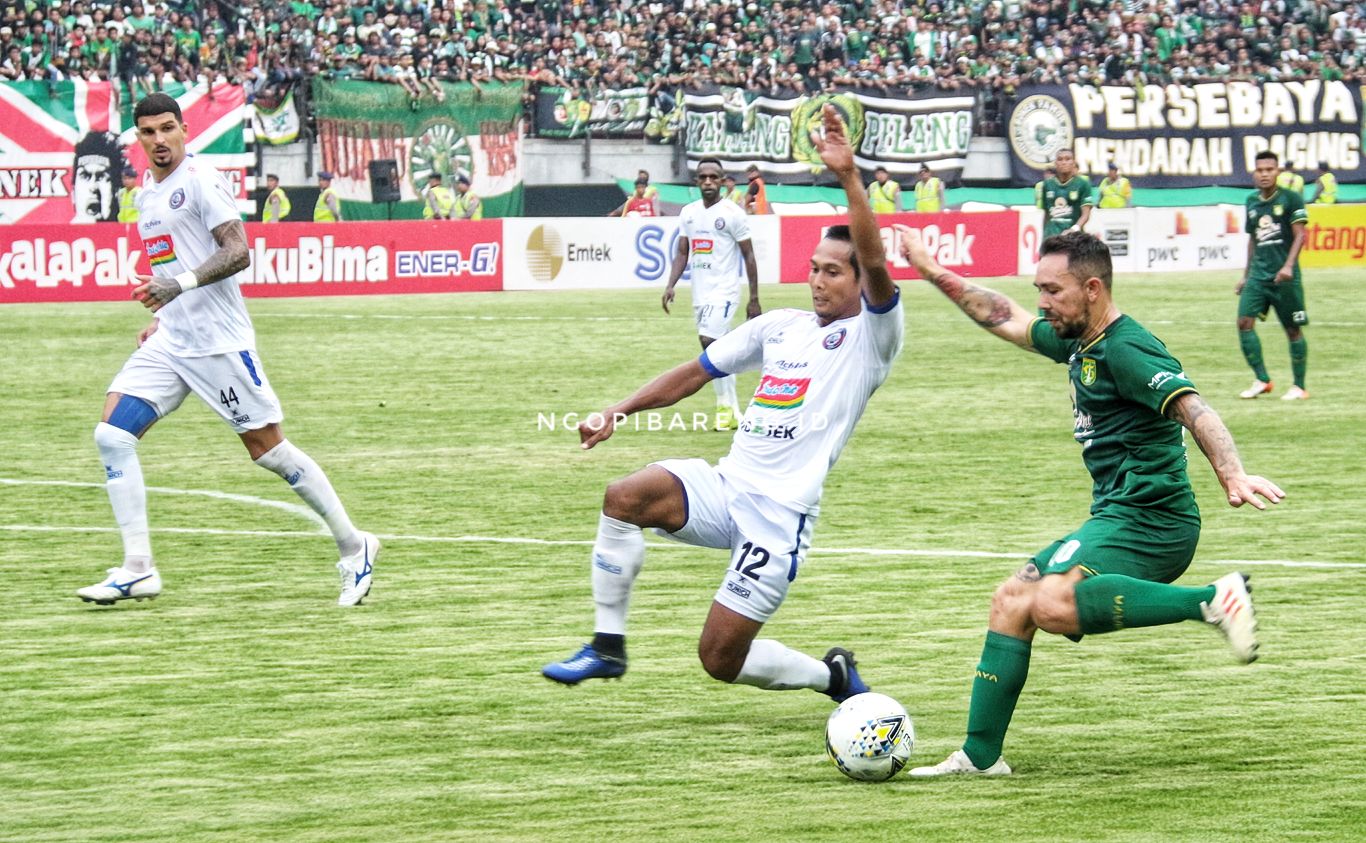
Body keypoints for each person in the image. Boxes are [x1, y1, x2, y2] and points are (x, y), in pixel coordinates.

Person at [542, 106, 904, 708]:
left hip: (778, 518)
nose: (818, 281)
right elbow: (695, 371)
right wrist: (618, 411)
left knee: (720, 659)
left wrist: (849, 179)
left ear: (859, 281)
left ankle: (833, 677)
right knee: (623, 495)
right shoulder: (782, 327)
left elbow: (875, 261)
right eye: (813, 269)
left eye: (833, 272)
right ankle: (607, 646)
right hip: (725, 488)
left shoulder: (873, 339)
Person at [897, 226, 1282, 777]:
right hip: (1118, 516)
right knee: (1012, 600)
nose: (1042, 302)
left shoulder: (1127, 348)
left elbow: (1194, 408)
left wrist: (1232, 471)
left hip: (1155, 521)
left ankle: (1214, 600)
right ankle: (980, 758)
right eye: (1040, 289)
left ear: (1093, 288)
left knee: (1052, 604)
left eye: (1053, 291)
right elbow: (1003, 315)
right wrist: (932, 270)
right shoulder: (1080, 338)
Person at [78, 93, 378, 608]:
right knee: (112, 436)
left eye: (167, 129)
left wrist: (180, 287)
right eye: (148, 132)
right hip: (173, 341)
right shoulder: (149, 191)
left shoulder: (200, 180)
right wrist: (161, 314)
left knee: (270, 452)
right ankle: (138, 568)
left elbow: (238, 251)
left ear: (184, 130)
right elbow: (170, 262)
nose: (159, 140)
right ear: (138, 139)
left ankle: (355, 547)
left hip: (218, 343)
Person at [662, 159, 762, 432]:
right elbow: (683, 251)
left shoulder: (733, 213)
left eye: (713, 177)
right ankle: (732, 411)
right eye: (703, 177)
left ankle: (722, 407)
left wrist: (754, 298)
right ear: (696, 181)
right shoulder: (689, 213)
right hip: (700, 291)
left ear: (721, 180)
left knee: (710, 342)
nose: (708, 181)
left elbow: (749, 255)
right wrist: (671, 284)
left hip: (725, 289)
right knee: (718, 348)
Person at [1237, 150, 1310, 401]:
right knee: (1244, 323)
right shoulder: (1251, 201)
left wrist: (1288, 266)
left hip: (1285, 278)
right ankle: (1262, 379)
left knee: (1293, 330)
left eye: (1269, 169)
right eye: (1260, 170)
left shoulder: (1291, 199)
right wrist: (1246, 275)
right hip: (1258, 276)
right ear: (1254, 173)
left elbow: (1300, 234)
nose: (1265, 174)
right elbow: (1253, 239)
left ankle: (1299, 386)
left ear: (1277, 171)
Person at [1038, 149, 1093, 238]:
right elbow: (1047, 214)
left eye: (1068, 159)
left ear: (1074, 163)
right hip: (1052, 237)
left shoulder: (1083, 184)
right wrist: (1044, 235)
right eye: (1060, 159)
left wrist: (1074, 229)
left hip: (1073, 237)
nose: (1064, 162)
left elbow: (1086, 214)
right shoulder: (1047, 184)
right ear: (1055, 163)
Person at [71, 131, 123, 223]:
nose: (93, 187)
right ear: (73, 192)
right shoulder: (57, 235)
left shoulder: (130, 233)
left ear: (116, 191)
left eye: (101, 177)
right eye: (85, 176)